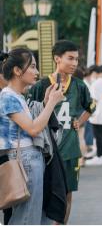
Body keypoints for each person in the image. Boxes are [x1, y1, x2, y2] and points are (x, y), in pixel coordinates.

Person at [27, 40, 95, 224]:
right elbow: (29, 112)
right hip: (46, 149)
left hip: (69, 149)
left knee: (67, 193)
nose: (74, 63)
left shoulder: (79, 86)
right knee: (43, 191)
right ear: (57, 58)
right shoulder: (41, 86)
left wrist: (79, 122)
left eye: (76, 59)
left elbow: (91, 106)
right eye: (70, 58)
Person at [0, 48, 64, 224]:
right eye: (33, 67)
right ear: (17, 71)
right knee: (27, 218)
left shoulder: (17, 96)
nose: (36, 72)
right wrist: (51, 103)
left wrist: (46, 101)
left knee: (34, 216)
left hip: (28, 158)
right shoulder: (8, 97)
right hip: (24, 160)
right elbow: (33, 129)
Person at [86, 65, 102, 166]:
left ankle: (100, 156)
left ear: (98, 72)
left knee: (98, 136)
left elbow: (94, 100)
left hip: (96, 113)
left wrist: (90, 112)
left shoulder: (95, 83)